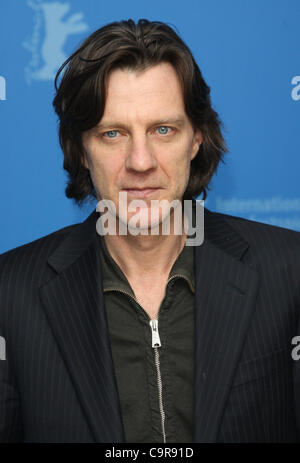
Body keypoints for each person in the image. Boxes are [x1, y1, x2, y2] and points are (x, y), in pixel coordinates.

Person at [1, 18, 300, 444]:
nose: (140, 162)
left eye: (163, 130)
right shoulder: (9, 295)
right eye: (113, 133)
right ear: (82, 149)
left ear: (197, 138)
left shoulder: (289, 273)